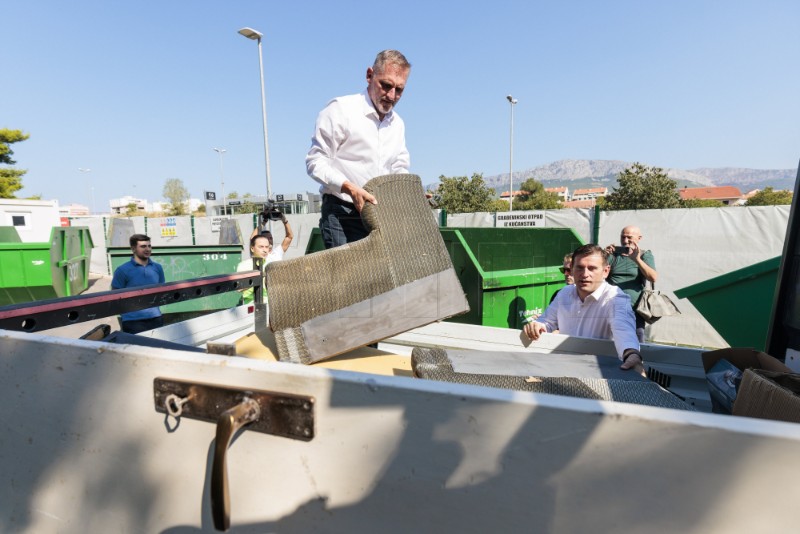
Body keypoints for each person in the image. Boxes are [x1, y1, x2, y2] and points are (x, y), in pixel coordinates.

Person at [306, 49, 412, 249]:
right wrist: (350, 188)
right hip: (342, 215)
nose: (391, 95)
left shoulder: (398, 124)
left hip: (379, 217)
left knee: (379, 280)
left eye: (399, 90)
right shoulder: (340, 110)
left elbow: (399, 168)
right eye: (386, 85)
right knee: (348, 279)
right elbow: (315, 162)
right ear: (369, 75)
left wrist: (407, 192)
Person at [523, 244, 643, 372]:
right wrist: (537, 326)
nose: (585, 274)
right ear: (572, 269)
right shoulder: (564, 293)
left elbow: (623, 329)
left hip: (600, 373)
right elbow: (546, 322)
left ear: (606, 271)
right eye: (579, 268)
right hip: (562, 369)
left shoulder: (616, 298)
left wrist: (630, 353)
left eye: (592, 268)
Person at [604, 226, 658, 342]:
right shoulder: (613, 256)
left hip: (634, 309)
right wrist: (603, 256)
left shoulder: (644, 255)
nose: (625, 240)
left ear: (639, 238)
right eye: (623, 237)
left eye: (629, 237)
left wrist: (637, 259)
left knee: (636, 341)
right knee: (609, 341)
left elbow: (653, 277)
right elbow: (598, 276)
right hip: (611, 306)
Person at [111, 234, 166, 334]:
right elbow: (115, 296)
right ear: (133, 249)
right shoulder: (122, 270)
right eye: (143, 246)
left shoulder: (157, 268)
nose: (148, 249)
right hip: (132, 321)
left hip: (156, 317)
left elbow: (162, 291)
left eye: (149, 246)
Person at [236, 213, 293, 305]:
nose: (265, 249)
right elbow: (239, 288)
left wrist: (284, 219)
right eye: (261, 246)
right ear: (253, 248)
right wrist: (263, 222)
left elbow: (289, 237)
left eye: (270, 239)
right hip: (254, 304)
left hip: (275, 301)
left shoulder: (276, 254)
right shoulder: (246, 264)